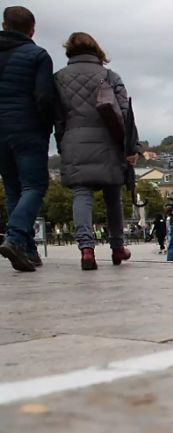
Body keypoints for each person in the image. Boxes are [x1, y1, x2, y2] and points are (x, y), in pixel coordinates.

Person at [54, 32, 138, 270]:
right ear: (97, 51)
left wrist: (62, 143)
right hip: (108, 142)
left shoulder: (58, 78)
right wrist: (131, 147)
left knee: (81, 194)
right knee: (113, 197)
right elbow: (125, 114)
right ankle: (117, 248)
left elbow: (57, 118)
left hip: (73, 140)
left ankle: (87, 249)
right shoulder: (110, 76)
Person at [0, 6, 55, 272]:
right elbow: (44, 97)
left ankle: (27, 250)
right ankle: (14, 238)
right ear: (32, 29)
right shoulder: (38, 55)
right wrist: (47, 126)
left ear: (3, 24)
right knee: (34, 186)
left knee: (12, 188)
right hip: (27, 128)